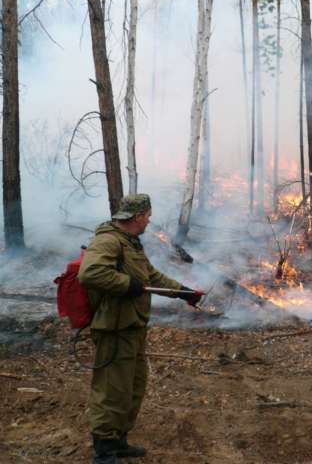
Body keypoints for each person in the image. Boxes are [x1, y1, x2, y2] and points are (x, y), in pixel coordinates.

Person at [78, 194, 203, 463]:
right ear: (137, 217)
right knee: (112, 390)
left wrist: (183, 292)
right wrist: (127, 284)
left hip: (132, 326)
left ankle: (118, 440)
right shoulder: (108, 240)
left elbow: (151, 276)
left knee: (133, 387)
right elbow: (90, 273)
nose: (148, 220)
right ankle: (104, 450)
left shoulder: (131, 244)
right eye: (147, 215)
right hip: (114, 328)